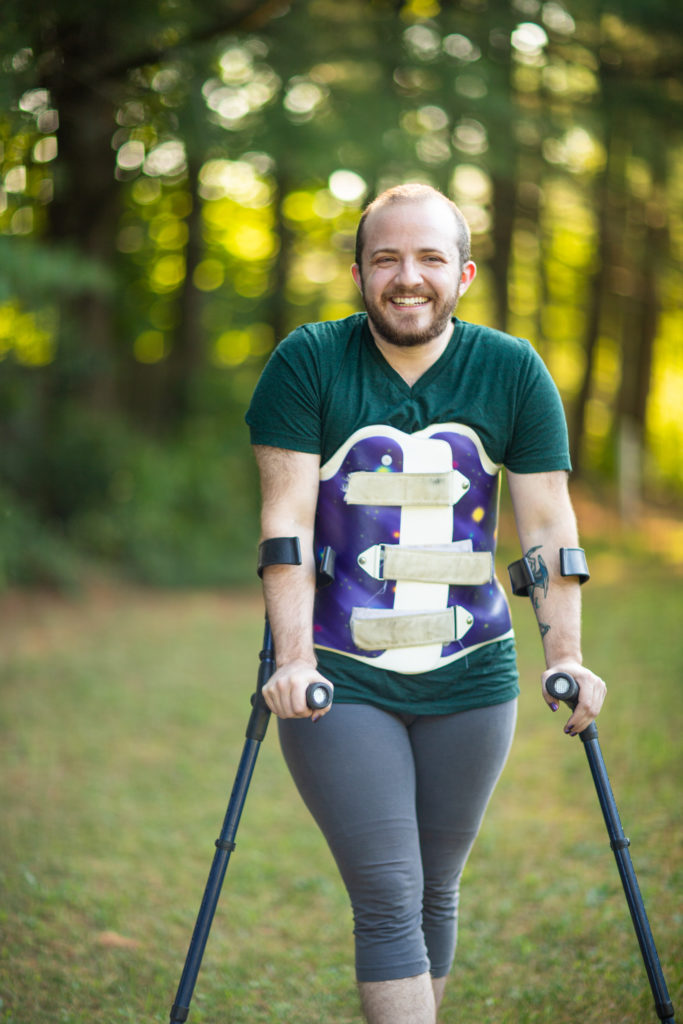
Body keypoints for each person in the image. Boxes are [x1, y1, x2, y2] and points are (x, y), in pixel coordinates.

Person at [245, 182, 606, 1024]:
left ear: (464, 272)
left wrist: (566, 659)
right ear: (358, 271)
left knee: (435, 888)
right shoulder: (308, 361)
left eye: (429, 259)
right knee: (389, 890)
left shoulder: (511, 369)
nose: (408, 277)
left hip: (473, 674)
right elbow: (284, 523)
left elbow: (548, 524)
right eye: (386, 259)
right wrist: (292, 659)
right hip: (341, 674)